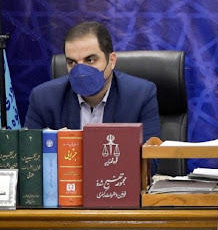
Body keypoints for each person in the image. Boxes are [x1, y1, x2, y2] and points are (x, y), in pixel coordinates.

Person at [25, 21, 161, 143]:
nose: (81, 71)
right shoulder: (43, 98)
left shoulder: (141, 95)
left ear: (112, 61)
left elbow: (150, 160)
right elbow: (30, 158)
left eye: (90, 60)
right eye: (72, 62)